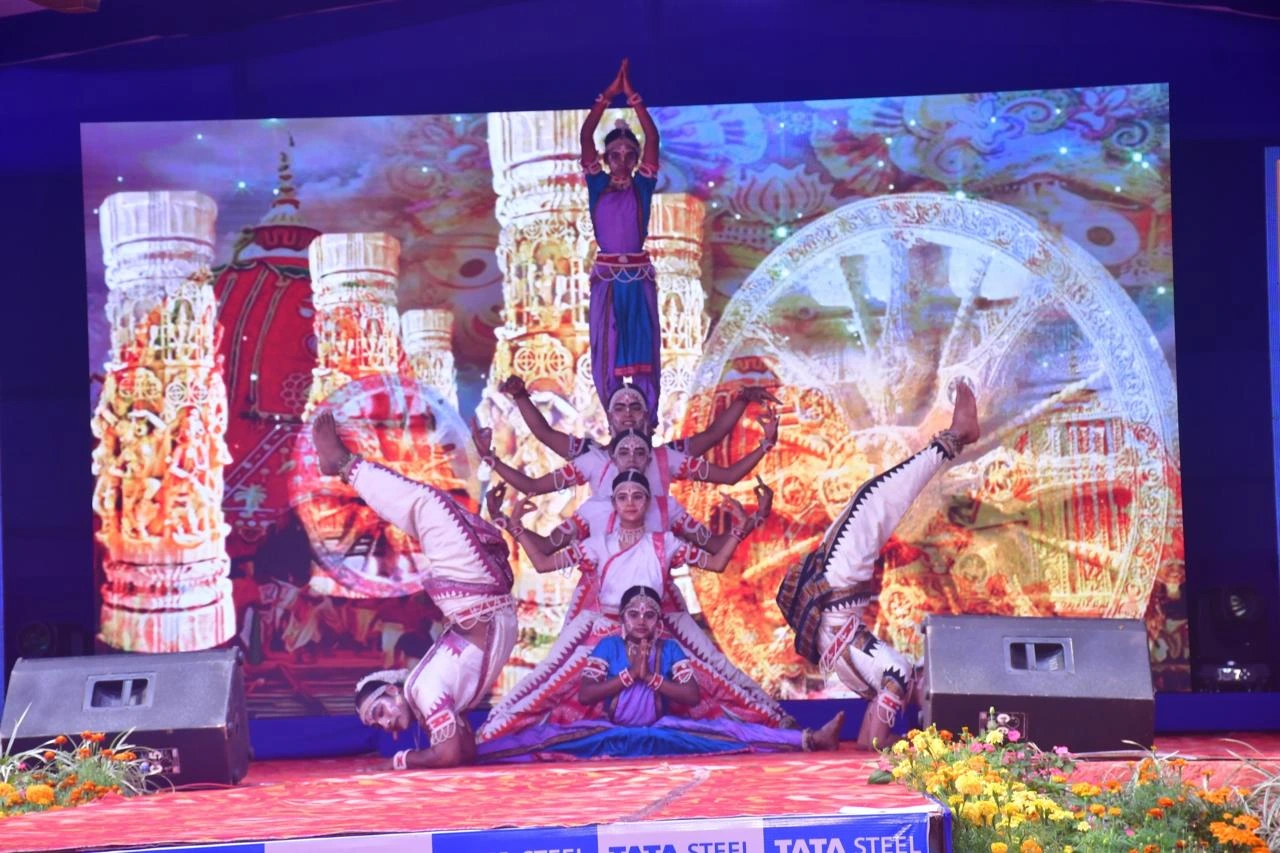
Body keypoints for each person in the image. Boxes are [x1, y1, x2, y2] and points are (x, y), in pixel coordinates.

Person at [478, 471, 786, 740]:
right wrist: (514, 527)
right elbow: (544, 563)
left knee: (717, 680)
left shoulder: (665, 543)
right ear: (613, 503)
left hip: (657, 633)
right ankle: (493, 735)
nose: (630, 503)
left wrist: (742, 528)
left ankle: (778, 727)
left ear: (647, 502)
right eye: (622, 497)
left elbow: (716, 563)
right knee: (548, 684)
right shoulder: (598, 545)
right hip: (603, 633)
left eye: (637, 496)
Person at [776, 383, 981, 749]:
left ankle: (955, 437)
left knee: (872, 503)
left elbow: (869, 744)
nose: (927, 677)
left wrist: (884, 738)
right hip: (836, 607)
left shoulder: (897, 677)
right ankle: (952, 438)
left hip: (835, 606)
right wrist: (883, 735)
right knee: (868, 502)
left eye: (929, 685)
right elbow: (869, 739)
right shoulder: (890, 682)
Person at [312, 411, 517, 769]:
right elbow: (461, 753)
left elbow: (453, 753)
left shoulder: (421, 689)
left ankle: (342, 463)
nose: (386, 726)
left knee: (429, 507)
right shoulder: (428, 697)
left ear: (393, 690)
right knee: (430, 507)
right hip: (481, 597)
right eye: (377, 724)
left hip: (478, 599)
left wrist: (402, 760)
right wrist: (417, 754)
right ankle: (343, 464)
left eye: (379, 712)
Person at [478, 585, 844, 762]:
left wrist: (651, 678)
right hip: (609, 736)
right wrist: (628, 676)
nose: (641, 621)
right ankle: (476, 753)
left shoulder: (669, 649)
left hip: (662, 733)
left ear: (658, 621)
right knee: (541, 739)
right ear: (622, 619)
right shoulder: (608, 647)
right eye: (634, 614)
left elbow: (693, 697)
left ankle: (811, 739)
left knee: (730, 732)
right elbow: (586, 694)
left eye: (649, 614)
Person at [581, 58, 663, 421]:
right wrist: (607, 96)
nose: (622, 160)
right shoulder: (596, 183)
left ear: (636, 159)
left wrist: (634, 100)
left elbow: (653, 139)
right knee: (607, 346)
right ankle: (614, 421)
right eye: (615, 155)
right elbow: (585, 137)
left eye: (630, 155)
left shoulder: (643, 185)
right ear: (605, 157)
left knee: (644, 348)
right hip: (607, 278)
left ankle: (646, 420)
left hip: (638, 275)